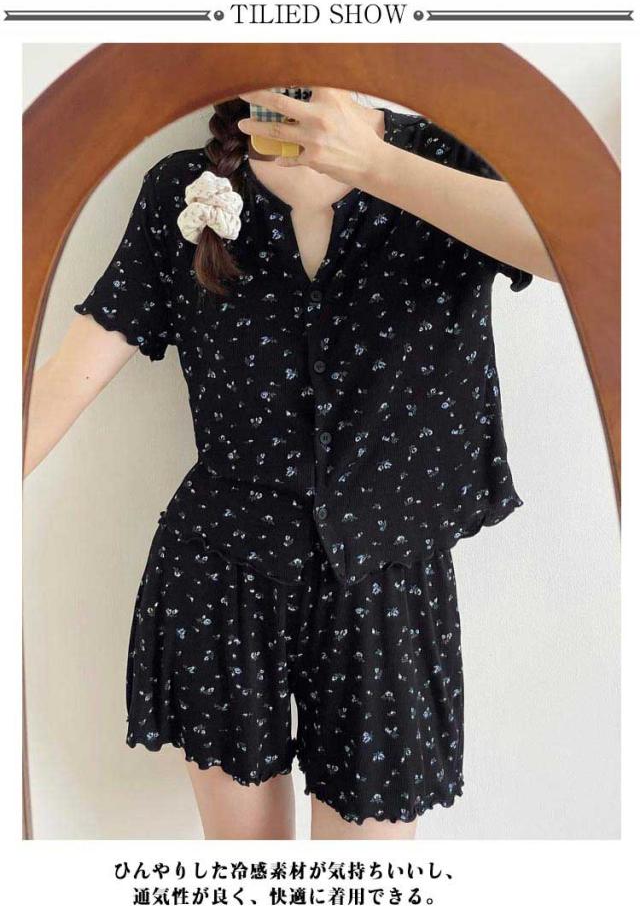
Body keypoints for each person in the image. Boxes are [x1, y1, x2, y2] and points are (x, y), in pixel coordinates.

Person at [24, 87, 559, 841]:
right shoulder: (184, 188)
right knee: (249, 872)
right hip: (223, 572)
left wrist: (373, 162)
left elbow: (586, 248)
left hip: (387, 581)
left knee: (363, 881)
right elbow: (70, 374)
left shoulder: (451, 159)